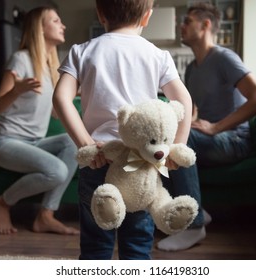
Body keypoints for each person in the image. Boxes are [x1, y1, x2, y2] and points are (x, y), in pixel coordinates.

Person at [53, 0, 194, 260]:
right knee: (138, 245)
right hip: (143, 163)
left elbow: (61, 98)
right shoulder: (157, 55)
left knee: (96, 245)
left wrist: (85, 143)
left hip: (99, 158)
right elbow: (183, 101)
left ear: (100, 13)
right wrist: (176, 147)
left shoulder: (81, 51)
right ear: (147, 17)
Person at [157, 2, 256, 251]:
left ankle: (194, 225)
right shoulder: (191, 71)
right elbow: (194, 112)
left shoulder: (224, 58)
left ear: (206, 25)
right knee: (159, 144)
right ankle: (198, 209)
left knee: (182, 143)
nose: (181, 26)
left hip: (234, 140)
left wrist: (216, 127)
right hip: (210, 139)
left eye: (187, 21)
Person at [0, 6, 79, 236]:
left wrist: (75, 96)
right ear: (40, 28)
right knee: (57, 171)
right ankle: (2, 202)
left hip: (35, 141)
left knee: (74, 143)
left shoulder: (52, 70)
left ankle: (45, 216)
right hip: (7, 143)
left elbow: (56, 115)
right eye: (56, 21)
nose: (63, 25)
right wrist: (15, 91)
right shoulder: (20, 60)